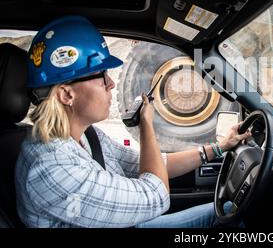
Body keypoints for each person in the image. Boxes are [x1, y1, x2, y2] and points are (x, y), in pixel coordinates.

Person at [15, 15, 251, 228]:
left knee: (228, 213)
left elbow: (150, 164)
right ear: (67, 94)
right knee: (231, 218)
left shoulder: (86, 136)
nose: (112, 84)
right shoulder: (52, 167)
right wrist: (146, 124)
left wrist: (220, 147)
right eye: (101, 76)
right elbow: (157, 197)